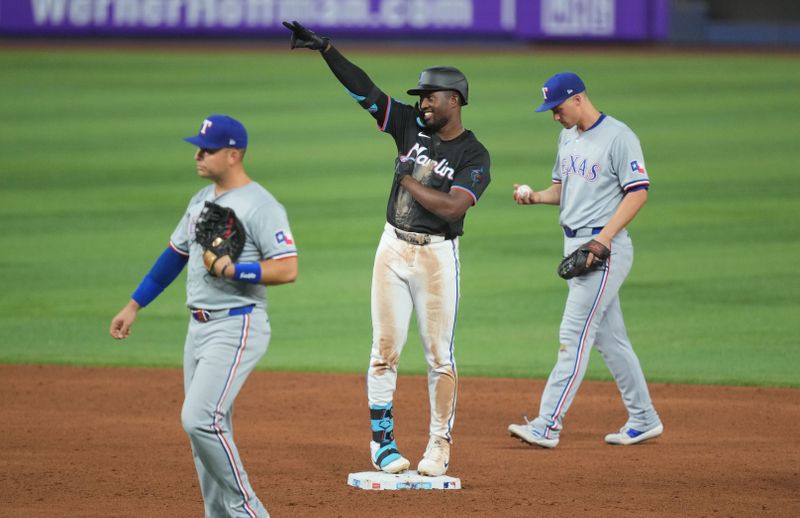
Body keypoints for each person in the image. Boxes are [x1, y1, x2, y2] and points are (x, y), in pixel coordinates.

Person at [282, 21, 491, 476]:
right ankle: (382, 442)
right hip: (392, 249)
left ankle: (438, 444)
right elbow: (366, 92)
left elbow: (453, 209)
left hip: (436, 257)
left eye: (429, 97)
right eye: (419, 98)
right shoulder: (407, 125)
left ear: (453, 100)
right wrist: (328, 50)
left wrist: (409, 180)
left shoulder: (474, 156)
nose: (421, 103)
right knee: (384, 350)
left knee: (440, 356)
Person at [110, 114, 298, 517]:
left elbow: (287, 268)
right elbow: (174, 255)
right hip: (197, 329)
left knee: (199, 419)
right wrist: (134, 304)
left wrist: (234, 270)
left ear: (233, 155)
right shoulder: (201, 201)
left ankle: (249, 511)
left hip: (237, 321)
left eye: (206, 149)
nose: (197, 155)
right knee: (206, 434)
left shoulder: (261, 206)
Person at [508, 73, 663, 448]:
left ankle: (548, 425)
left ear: (577, 99)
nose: (554, 116)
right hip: (575, 245)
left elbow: (638, 193)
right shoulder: (567, 136)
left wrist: (603, 240)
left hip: (601, 250)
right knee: (610, 339)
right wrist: (535, 197)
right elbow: (562, 190)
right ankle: (643, 418)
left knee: (573, 336)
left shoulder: (619, 137)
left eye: (557, 108)